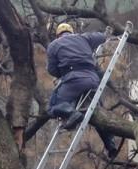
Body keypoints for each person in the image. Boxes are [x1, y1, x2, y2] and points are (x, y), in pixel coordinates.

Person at [46, 23, 118, 158]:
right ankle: (111, 145)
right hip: (92, 79)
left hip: (73, 79)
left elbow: (51, 70)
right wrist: (107, 33)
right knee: (97, 111)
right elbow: (102, 37)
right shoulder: (84, 37)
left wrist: (62, 74)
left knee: (52, 107)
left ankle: (72, 113)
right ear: (72, 31)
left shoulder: (54, 45)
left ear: (58, 35)